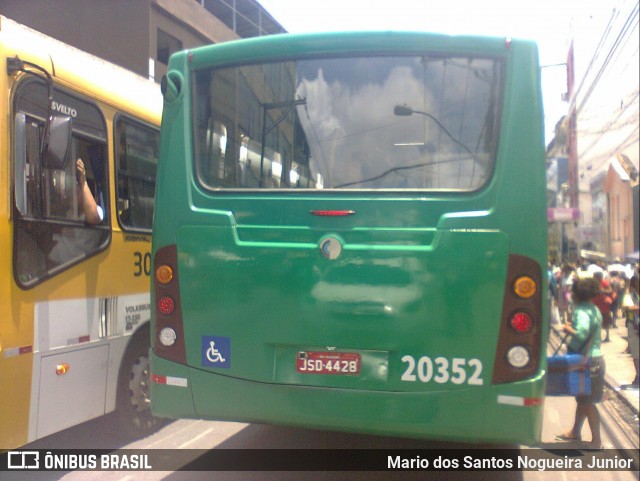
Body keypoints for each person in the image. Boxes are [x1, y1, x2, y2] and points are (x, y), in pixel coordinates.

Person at [556, 277, 605, 449]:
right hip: (594, 359)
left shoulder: (581, 311)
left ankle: (597, 441)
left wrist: (567, 328)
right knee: (583, 399)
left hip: (586, 361)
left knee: (587, 401)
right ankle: (575, 432)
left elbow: (582, 333)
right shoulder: (594, 309)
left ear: (577, 294)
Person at [621, 275, 639, 387]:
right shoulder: (629, 295)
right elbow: (627, 307)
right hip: (634, 326)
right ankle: (639, 375)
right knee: (636, 353)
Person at [76, 158, 103, 224]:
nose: (75, 192)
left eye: (78, 190)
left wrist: (83, 182)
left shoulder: (98, 210)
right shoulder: (70, 212)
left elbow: (94, 217)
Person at [592, 271, 613, 342]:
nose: (593, 277)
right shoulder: (594, 283)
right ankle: (598, 336)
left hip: (604, 304)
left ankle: (607, 336)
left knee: (606, 321)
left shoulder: (604, 282)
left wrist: (602, 290)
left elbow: (610, 290)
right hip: (596, 303)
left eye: (594, 276)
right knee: (597, 321)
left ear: (598, 277)